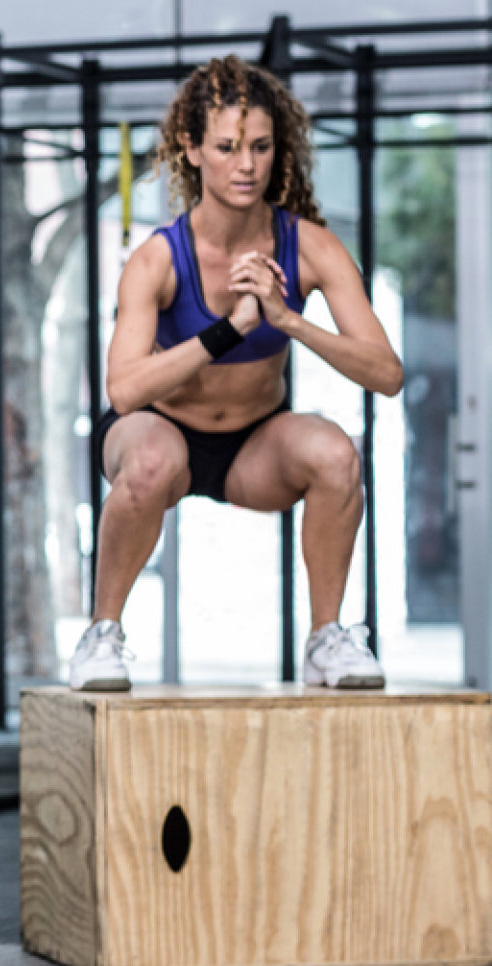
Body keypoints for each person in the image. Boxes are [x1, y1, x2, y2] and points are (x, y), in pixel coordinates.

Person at [75, 56, 404, 691]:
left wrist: (288, 320)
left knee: (337, 456)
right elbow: (124, 389)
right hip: (154, 433)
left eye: (259, 146)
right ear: (192, 150)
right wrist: (231, 328)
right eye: (227, 147)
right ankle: (101, 633)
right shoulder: (157, 259)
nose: (247, 165)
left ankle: (325, 639)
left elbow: (386, 373)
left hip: (253, 444)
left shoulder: (309, 246)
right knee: (150, 462)